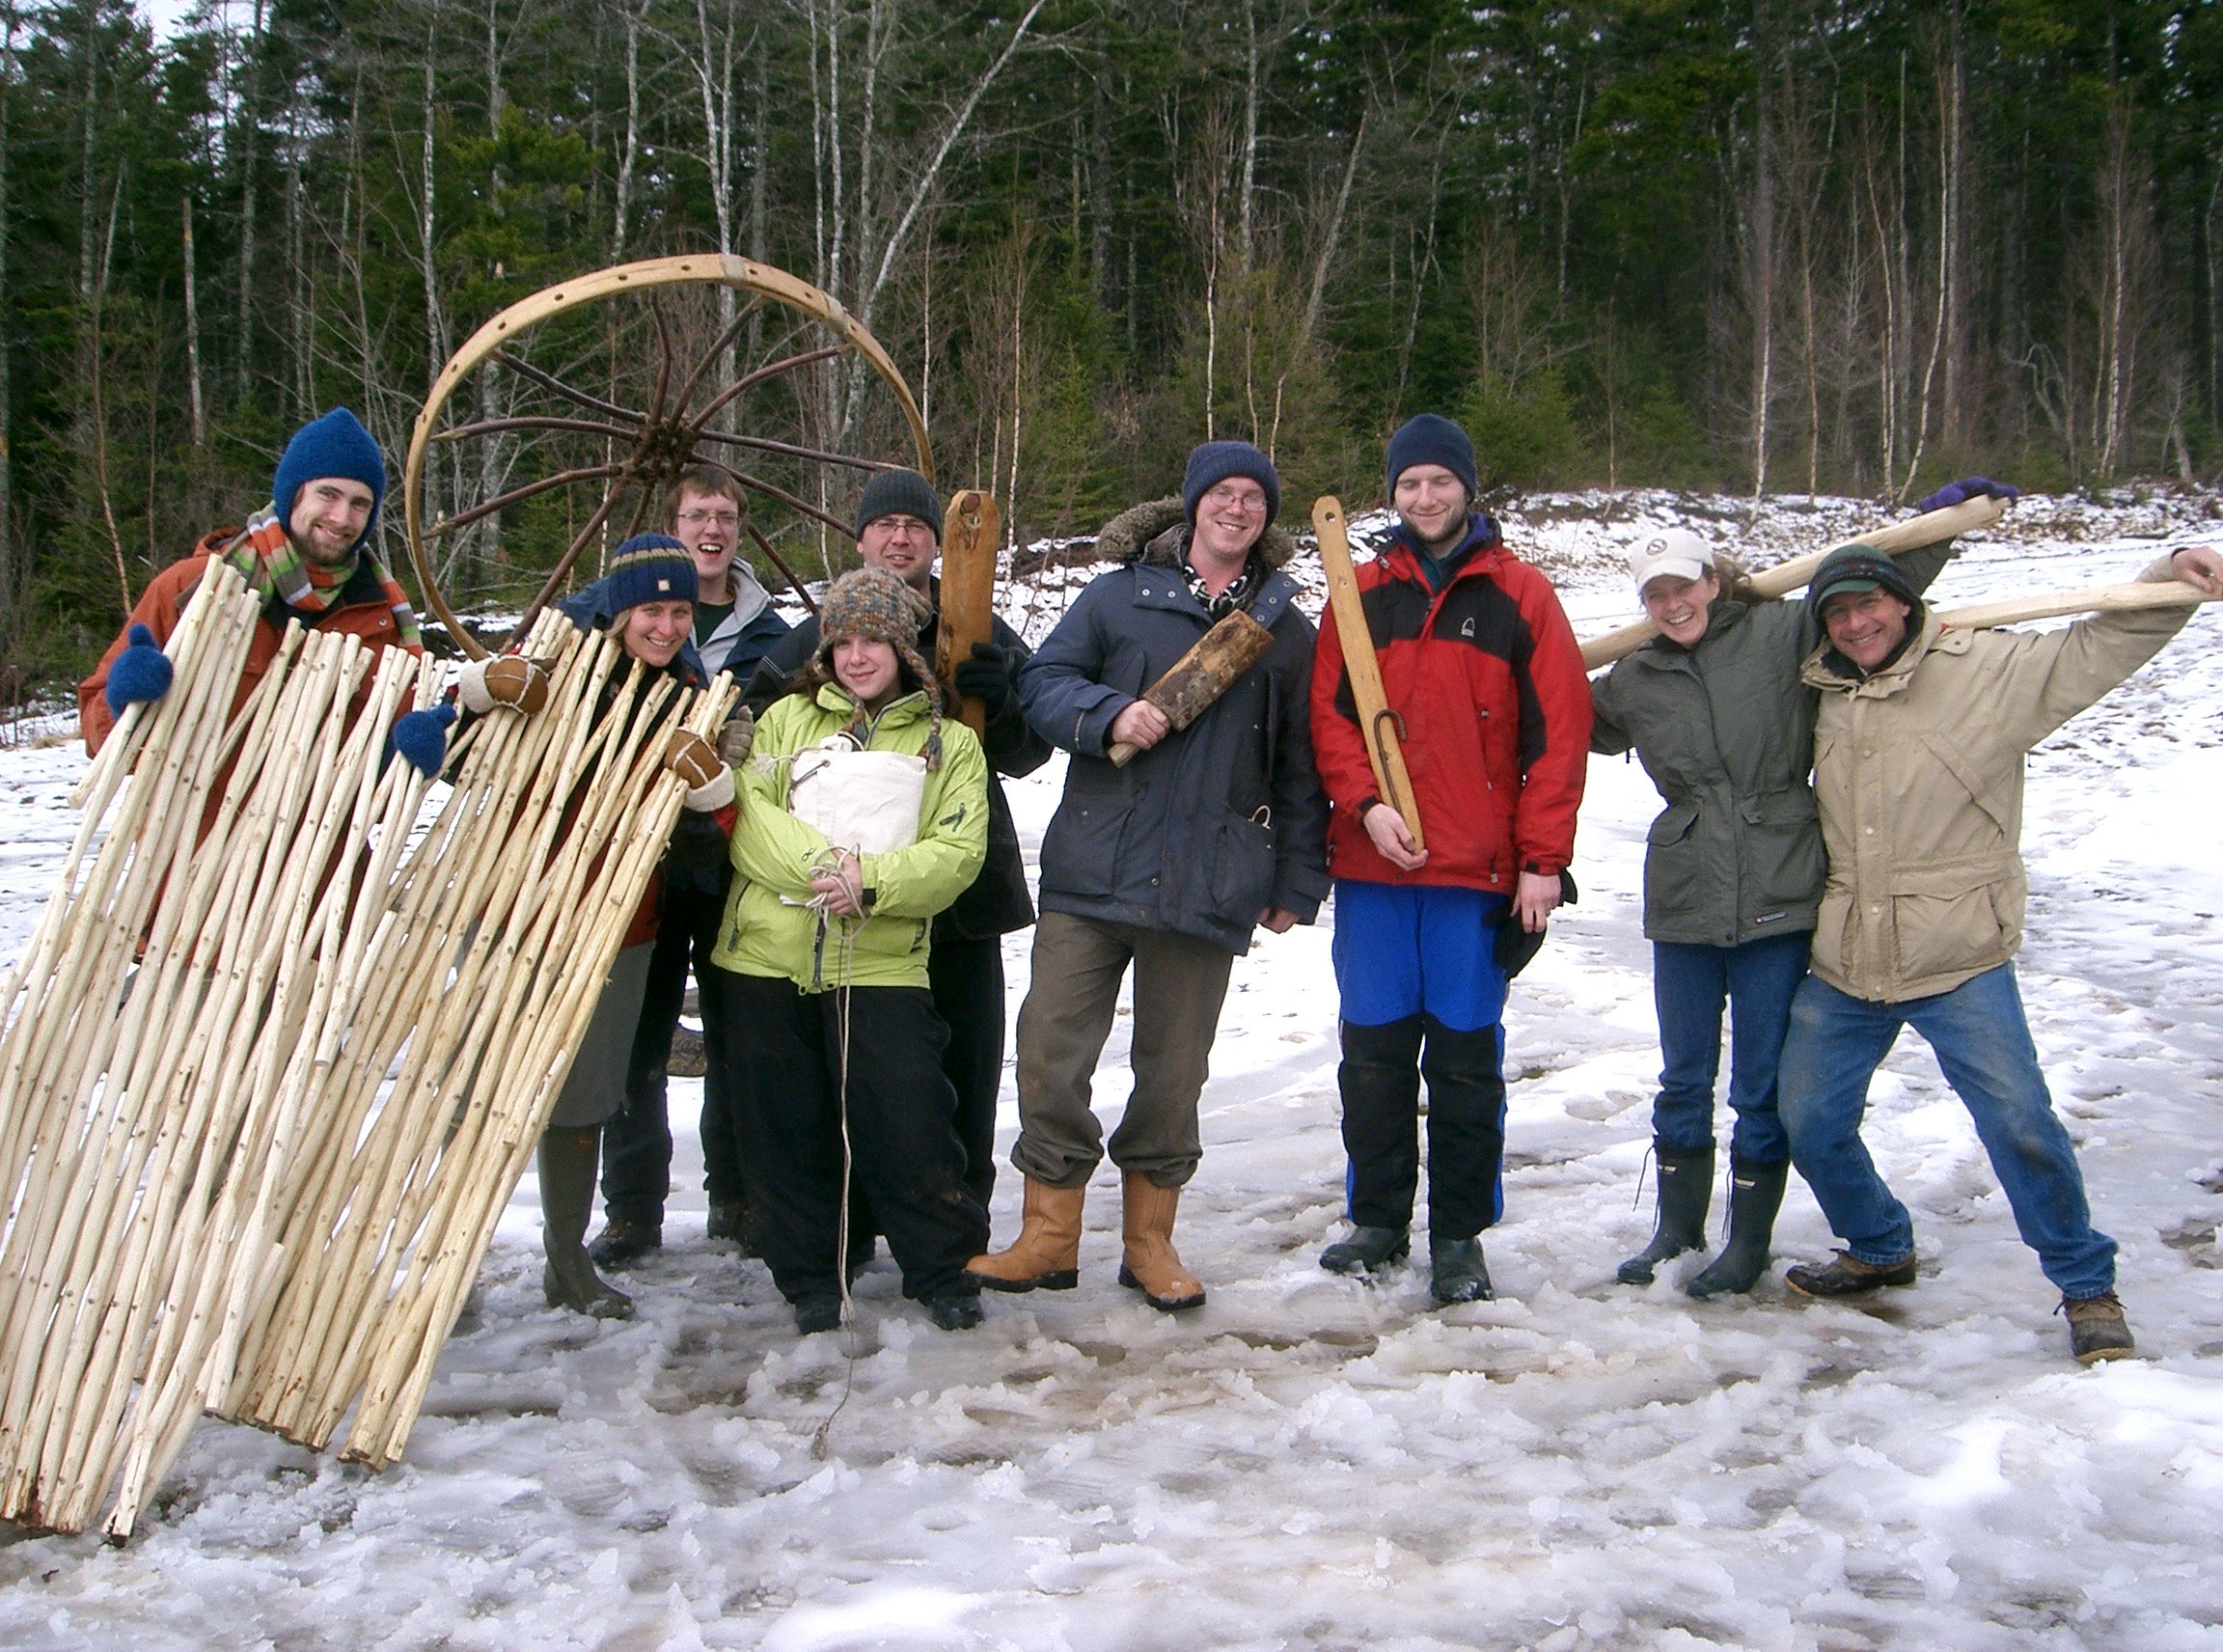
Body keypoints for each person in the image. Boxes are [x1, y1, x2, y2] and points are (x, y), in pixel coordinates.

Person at [1776, 537, 2223, 1363]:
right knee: (1806, 1118)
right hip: (1848, 957)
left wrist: (2167, 582)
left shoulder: (1989, 673)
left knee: (2018, 1122)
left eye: (1869, 603)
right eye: (1836, 612)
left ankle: (2087, 1287)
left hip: (1959, 953)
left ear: (1904, 603)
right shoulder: (1819, 693)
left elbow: (2099, 644)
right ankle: (1879, 1244)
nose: (1855, 622)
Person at [1587, 485, 1991, 1298]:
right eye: (1655, 596)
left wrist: (1943, 523)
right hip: (1687, 887)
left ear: (1714, 582)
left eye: (1683, 587)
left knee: (1760, 1080)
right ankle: (1674, 1231)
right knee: (1683, 1073)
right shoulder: (1633, 677)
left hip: (1781, 879)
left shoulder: (1780, 632)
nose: (1672, 605)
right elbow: (1558, 723)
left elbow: (1869, 593)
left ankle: (1746, 1244)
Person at [967, 439, 1329, 1310]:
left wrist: (1298, 880)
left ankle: (1148, 1242)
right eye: (1223, 494)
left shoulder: (1287, 630)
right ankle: (1047, 1237)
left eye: (1253, 499)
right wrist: (1106, 712)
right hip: (1094, 868)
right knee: (1051, 1053)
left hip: (1210, 882)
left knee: (1173, 1074)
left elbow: (1303, 767)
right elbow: (1043, 682)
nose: (1236, 509)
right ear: (1193, 502)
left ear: (1266, 518)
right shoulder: (1117, 595)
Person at [1307, 414, 1590, 1305]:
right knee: (1375, 1056)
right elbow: (1331, 719)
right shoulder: (1356, 597)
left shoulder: (1521, 596)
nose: (1424, 497)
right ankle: (1379, 1218)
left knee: (1466, 1063)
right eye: (1408, 484)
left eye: (1439, 480)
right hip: (1375, 871)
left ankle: (1460, 1235)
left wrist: (1545, 859)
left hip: (1475, 874)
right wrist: (1367, 805)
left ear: (1468, 486)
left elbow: (1559, 738)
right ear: (1390, 494)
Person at [742, 469, 1050, 1219]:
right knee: (868, 1073)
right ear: (859, 540)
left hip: (960, 896)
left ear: (937, 542)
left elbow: (1027, 750)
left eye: (915, 527)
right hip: (852, 898)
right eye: (886, 526)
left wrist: (1004, 693)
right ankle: (862, 1223)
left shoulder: (974, 620)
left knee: (965, 1067)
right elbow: (758, 718)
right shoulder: (833, 626)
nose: (901, 538)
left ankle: (959, 1215)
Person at [457, 535, 739, 1318]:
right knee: (479, 1094)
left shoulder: (690, 693)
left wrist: (711, 795)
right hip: (512, 912)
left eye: (681, 609)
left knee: (584, 1099)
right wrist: (479, 692)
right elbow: (450, 755)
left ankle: (564, 1260)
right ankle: (450, 1264)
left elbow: (709, 835)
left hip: (622, 922)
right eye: (652, 608)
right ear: (618, 611)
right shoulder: (553, 668)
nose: (668, 625)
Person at [710, 566, 993, 1335]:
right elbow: (751, 822)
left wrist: (872, 882)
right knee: (783, 1129)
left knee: (908, 1119)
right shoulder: (779, 725)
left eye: (876, 639)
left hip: (880, 962)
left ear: (905, 649)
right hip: (767, 959)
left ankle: (942, 1269)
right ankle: (808, 1278)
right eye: (844, 640)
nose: (858, 655)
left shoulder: (951, 744)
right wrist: (825, 871)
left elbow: (958, 852)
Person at [589, 467, 792, 1268]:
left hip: (724, 860)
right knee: (636, 1036)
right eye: (695, 515)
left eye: (726, 516)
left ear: (741, 529)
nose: (712, 528)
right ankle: (632, 1208)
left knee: (736, 1031)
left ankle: (731, 1193)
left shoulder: (770, 633)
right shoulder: (621, 611)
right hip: (636, 869)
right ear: (672, 525)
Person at [80, 407, 421, 756]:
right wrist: (121, 703)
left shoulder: (380, 614)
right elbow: (96, 731)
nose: (341, 517)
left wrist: (416, 745)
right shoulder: (195, 589)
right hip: (198, 809)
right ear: (293, 494)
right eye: (328, 494)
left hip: (323, 813)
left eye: (360, 504)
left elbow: (398, 734)